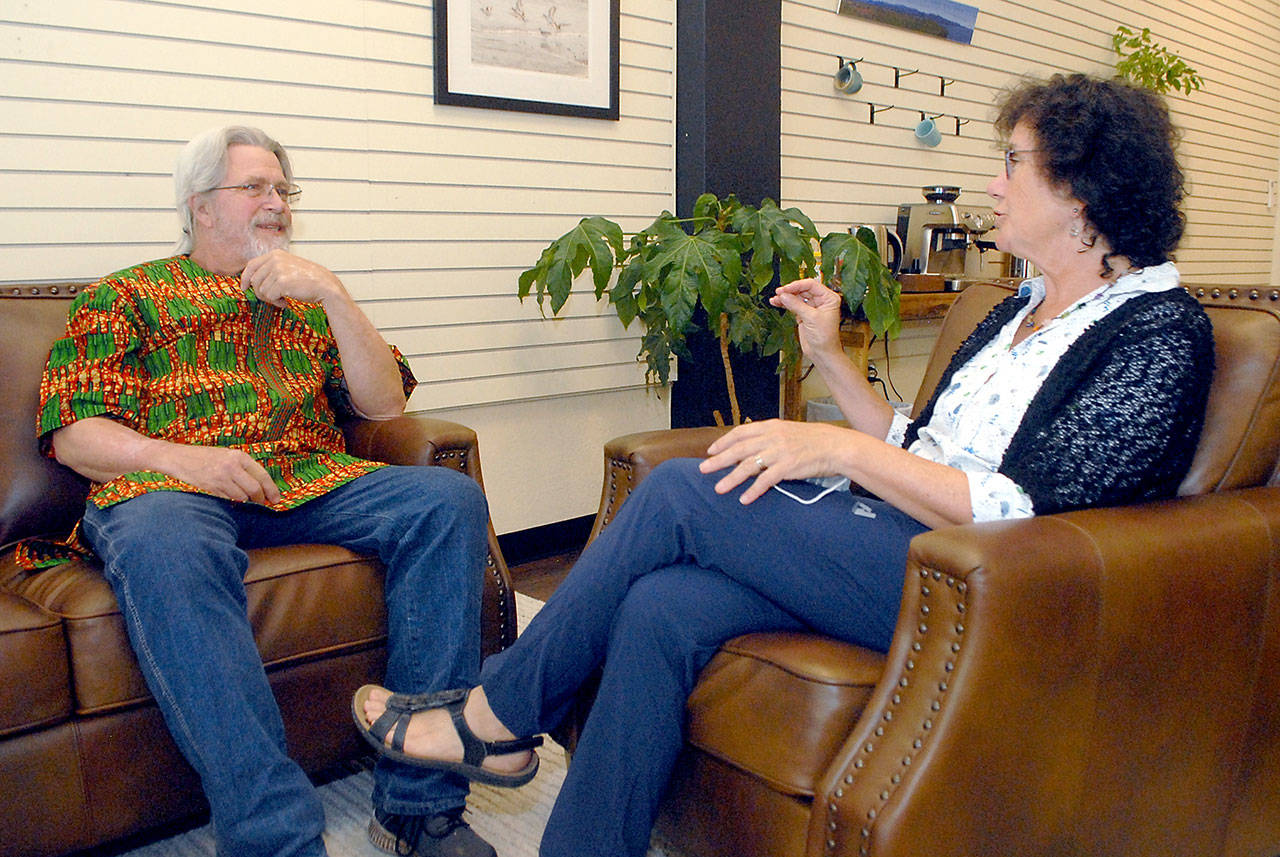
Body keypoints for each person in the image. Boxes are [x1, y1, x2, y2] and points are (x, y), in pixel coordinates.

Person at [351, 73, 1216, 857]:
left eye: (1013, 163)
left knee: (680, 491)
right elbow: (917, 448)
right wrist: (830, 356)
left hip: (988, 588)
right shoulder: (1013, 309)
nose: (993, 183)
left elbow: (1026, 510)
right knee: (661, 605)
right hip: (897, 543)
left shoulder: (1159, 332)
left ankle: (495, 714)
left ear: (1079, 189)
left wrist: (835, 447)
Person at [19, 126, 499, 857]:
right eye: (255, 187)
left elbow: (384, 407)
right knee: (163, 537)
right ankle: (275, 838)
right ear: (200, 206)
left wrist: (333, 294)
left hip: (303, 480)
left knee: (446, 501)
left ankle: (416, 804)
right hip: (171, 493)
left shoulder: (306, 301)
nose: (276, 203)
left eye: (283, 189)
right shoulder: (126, 296)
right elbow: (73, 431)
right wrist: (187, 461)